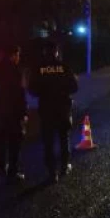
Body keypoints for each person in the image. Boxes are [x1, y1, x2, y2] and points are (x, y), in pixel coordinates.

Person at [28, 41, 78, 184]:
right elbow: (74, 87)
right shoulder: (64, 67)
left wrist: (45, 92)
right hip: (62, 109)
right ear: (56, 52)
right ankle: (64, 167)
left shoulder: (38, 68)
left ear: (45, 52)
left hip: (46, 110)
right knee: (64, 138)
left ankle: (52, 173)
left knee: (48, 142)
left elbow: (32, 90)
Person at [0, 45, 28, 182]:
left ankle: (1, 171)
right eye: (18, 55)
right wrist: (24, 113)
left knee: (0, 143)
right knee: (14, 143)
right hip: (13, 113)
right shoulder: (16, 71)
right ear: (13, 55)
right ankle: (13, 171)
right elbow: (20, 94)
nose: (19, 58)